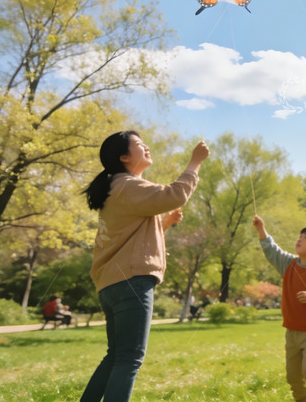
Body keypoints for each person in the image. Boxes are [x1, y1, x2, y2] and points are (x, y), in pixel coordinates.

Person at [80, 131, 209, 402]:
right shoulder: (126, 185)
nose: (146, 146)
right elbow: (175, 194)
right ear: (124, 157)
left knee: (116, 355)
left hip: (112, 284)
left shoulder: (118, 187)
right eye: (139, 144)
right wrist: (195, 163)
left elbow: (128, 237)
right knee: (129, 358)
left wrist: (165, 224)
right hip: (132, 282)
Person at [253, 214, 306, 402]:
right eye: (300, 236)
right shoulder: (289, 264)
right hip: (292, 332)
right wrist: (261, 230)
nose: (300, 239)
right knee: (293, 376)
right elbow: (272, 250)